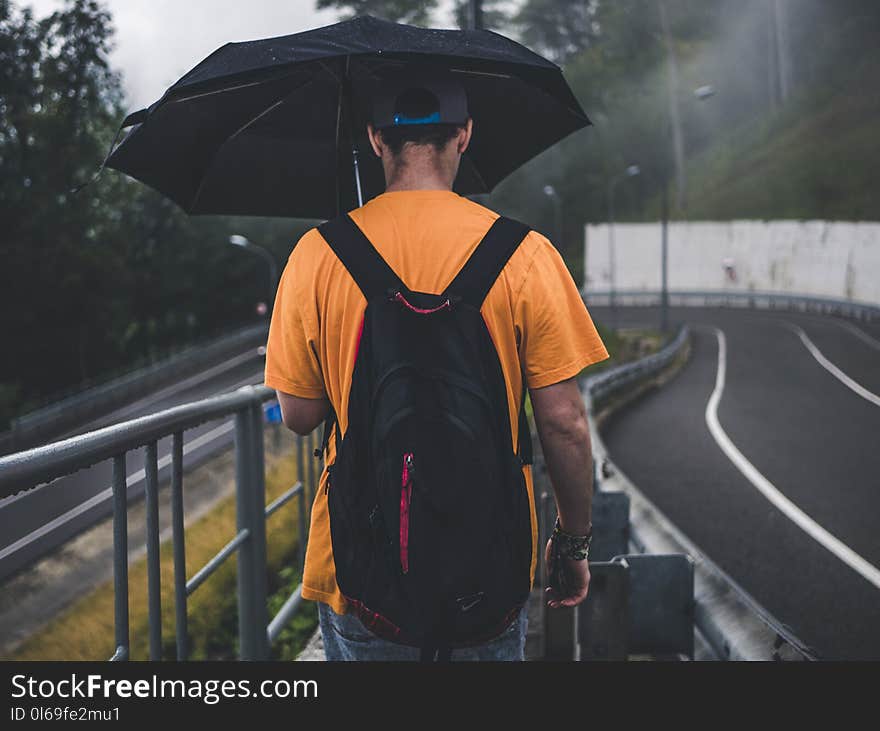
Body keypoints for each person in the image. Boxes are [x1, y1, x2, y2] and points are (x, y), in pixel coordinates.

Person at [264, 68, 609, 661]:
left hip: (358, 566)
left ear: (375, 140)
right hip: (489, 558)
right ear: (465, 134)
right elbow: (564, 424)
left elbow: (297, 414)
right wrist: (572, 544)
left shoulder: (319, 253)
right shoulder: (525, 253)